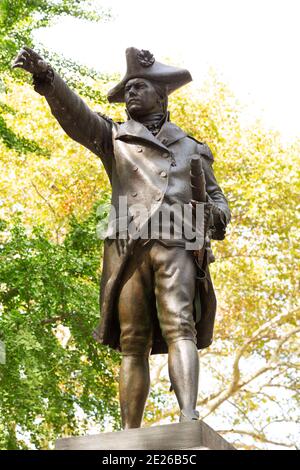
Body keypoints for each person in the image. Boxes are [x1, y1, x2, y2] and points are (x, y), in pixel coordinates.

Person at [13, 46, 231, 428]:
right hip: (127, 247)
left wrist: (213, 215)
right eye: (127, 87)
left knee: (182, 326)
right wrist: (47, 77)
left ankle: (188, 417)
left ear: (161, 95)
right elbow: (77, 116)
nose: (130, 92)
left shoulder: (192, 147)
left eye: (139, 86)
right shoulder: (114, 137)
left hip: (177, 242)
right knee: (133, 341)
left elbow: (219, 202)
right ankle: (129, 432)